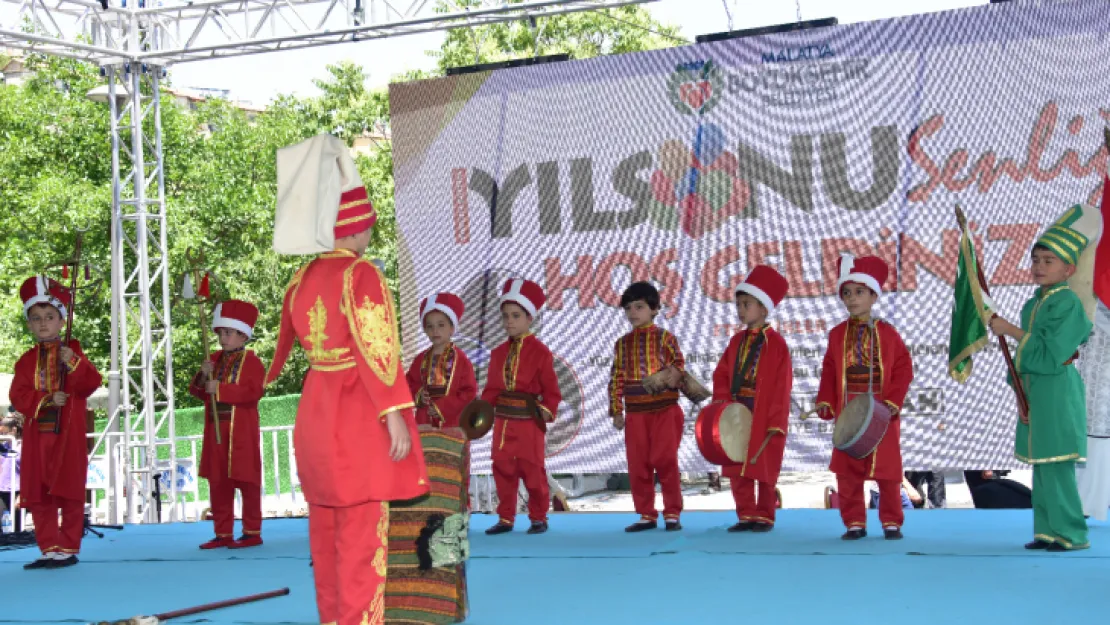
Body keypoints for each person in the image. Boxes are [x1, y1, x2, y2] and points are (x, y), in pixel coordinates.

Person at [266, 133, 429, 625]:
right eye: (369, 227)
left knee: (326, 532)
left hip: (316, 408)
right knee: (362, 537)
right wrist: (396, 415)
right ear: (357, 227)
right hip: (358, 411)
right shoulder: (361, 275)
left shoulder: (301, 277)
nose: (369, 236)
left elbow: (284, 349)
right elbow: (379, 351)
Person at [989, 204, 1098, 551]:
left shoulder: (1067, 303)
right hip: (1036, 391)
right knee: (1042, 466)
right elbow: (1026, 358)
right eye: (1036, 259)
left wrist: (1010, 331)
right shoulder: (1033, 302)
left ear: (1069, 268)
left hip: (1057, 390)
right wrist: (1020, 391)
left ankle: (1072, 534)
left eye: (1048, 261)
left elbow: (1050, 355)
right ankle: (1047, 531)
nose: (1039, 267)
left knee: (1058, 467)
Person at [816, 255, 913, 540]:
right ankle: (854, 521)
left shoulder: (887, 333)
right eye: (847, 292)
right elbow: (830, 370)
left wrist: (892, 402)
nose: (852, 298)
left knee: (887, 470)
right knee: (847, 470)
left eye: (859, 292)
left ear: (873, 295)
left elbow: (903, 368)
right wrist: (826, 401)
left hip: (881, 408)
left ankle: (891, 521)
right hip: (849, 407)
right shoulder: (836, 335)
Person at [8, 276, 103, 568]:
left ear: (62, 320)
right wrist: (47, 399)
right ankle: (48, 546)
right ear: (29, 324)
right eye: (36, 318)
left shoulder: (73, 353)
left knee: (70, 489)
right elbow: (18, 394)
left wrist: (73, 362)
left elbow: (90, 383)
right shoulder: (26, 361)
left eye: (49, 317)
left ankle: (68, 546)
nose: (42, 323)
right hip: (39, 436)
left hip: (67, 435)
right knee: (38, 492)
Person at [710, 266, 791, 533]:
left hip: (764, 411)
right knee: (736, 463)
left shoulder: (776, 344)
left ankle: (765, 515)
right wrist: (723, 404)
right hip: (737, 410)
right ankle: (745, 513)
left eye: (747, 304)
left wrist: (776, 419)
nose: (741, 309)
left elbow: (782, 385)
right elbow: (721, 373)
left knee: (764, 466)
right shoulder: (735, 342)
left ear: (764, 309)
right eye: (739, 304)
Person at [482, 278, 562, 535]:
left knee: (533, 471)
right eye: (505, 316)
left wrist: (544, 410)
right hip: (503, 423)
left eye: (516, 315)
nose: (509, 322)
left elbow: (552, 392)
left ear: (530, 318)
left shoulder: (541, 352)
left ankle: (539, 516)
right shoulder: (497, 353)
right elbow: (491, 391)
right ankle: (506, 518)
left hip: (528, 423)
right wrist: (481, 413)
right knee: (503, 469)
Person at [609, 281, 688, 532]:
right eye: (629, 308)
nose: (633, 313)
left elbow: (679, 368)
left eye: (639, 307)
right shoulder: (621, 344)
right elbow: (616, 377)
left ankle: (672, 512)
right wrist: (616, 410)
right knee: (638, 463)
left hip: (665, 410)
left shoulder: (666, 338)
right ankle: (646, 514)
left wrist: (667, 377)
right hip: (635, 413)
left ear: (654, 309)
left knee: (664, 459)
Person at [189, 299, 266, 549]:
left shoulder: (252, 362)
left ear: (243, 335)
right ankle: (222, 532)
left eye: (229, 332)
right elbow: (196, 391)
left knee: (247, 480)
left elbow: (254, 392)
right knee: (218, 481)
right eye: (221, 332)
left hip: (240, 430)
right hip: (215, 430)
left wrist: (220, 389)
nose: (223, 337)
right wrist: (203, 375)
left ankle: (252, 530)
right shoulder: (213, 360)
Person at [405, 292, 477, 429]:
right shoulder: (420, 359)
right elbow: (408, 384)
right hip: (424, 421)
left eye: (441, 325)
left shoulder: (461, 360)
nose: (435, 331)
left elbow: (469, 392)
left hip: (452, 422)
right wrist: (420, 395)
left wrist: (441, 407)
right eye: (430, 326)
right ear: (425, 330)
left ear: (452, 328)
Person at [0, 410, 23, 532]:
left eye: (4, 431)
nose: (2, 434)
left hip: (16, 490)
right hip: (1, 489)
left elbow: (27, 474)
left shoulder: (22, 447)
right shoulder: (3, 446)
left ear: (14, 430)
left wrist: (21, 496)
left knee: (17, 528)